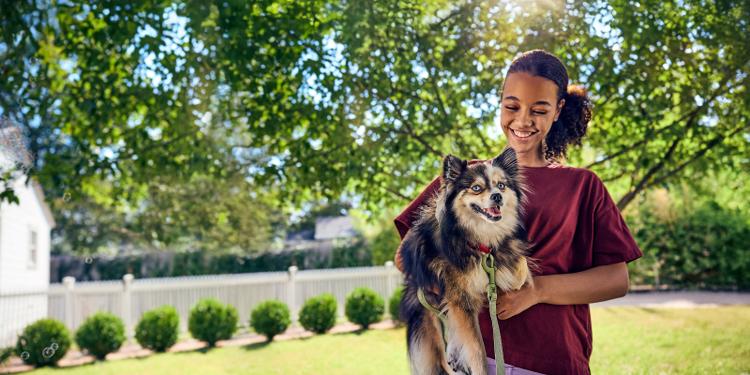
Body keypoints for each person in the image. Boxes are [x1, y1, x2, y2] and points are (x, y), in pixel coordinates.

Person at [393, 50, 643, 375]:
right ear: (500, 104)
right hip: (472, 360)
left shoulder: (583, 186)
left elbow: (615, 279)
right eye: (512, 106)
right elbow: (406, 256)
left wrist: (537, 291)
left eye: (538, 110)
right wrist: (452, 284)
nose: (522, 120)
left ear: (558, 110)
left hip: (554, 360)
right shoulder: (466, 179)